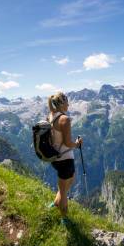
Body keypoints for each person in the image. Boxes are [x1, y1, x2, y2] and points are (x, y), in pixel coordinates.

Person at [46, 92, 83, 225]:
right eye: (67, 101)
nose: (68, 104)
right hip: (65, 159)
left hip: (55, 158)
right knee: (63, 189)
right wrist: (77, 144)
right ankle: (64, 219)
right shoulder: (64, 119)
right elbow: (68, 143)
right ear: (62, 103)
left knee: (70, 180)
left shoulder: (50, 116)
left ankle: (55, 203)